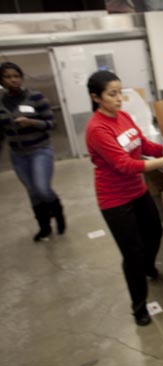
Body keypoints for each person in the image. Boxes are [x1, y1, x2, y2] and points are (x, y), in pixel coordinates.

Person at [85, 70, 163, 326]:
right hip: (114, 200)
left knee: (154, 232)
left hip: (136, 191)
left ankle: (148, 266)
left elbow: (143, 147)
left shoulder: (123, 116)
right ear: (96, 97)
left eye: (120, 92)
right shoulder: (97, 129)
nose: (119, 98)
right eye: (112, 94)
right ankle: (139, 306)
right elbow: (124, 165)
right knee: (132, 253)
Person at [0, 62, 66, 242]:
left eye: (16, 76)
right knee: (32, 192)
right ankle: (44, 227)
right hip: (17, 154)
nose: (13, 80)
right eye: (8, 76)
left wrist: (32, 123)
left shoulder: (36, 97)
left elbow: (51, 124)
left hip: (40, 150)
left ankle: (58, 212)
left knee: (42, 189)